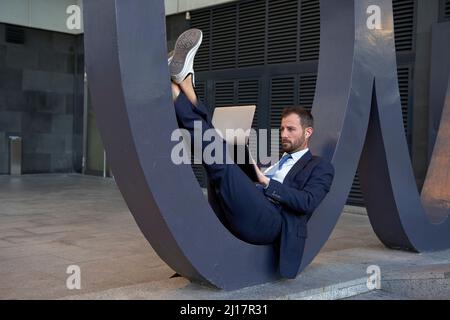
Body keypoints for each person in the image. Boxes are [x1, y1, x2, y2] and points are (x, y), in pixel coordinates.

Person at [168, 29, 335, 278]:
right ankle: (183, 88)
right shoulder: (275, 160)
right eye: (281, 129)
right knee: (219, 152)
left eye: (291, 129)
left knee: (220, 162)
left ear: (308, 132)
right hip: (252, 204)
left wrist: (266, 181)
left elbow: (307, 202)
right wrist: (257, 174)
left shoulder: (321, 167)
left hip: (273, 222)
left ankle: (180, 87)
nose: (284, 134)